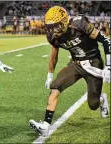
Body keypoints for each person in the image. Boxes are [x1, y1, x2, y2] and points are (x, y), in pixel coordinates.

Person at [29, 6, 110, 137]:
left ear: (65, 21)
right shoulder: (53, 36)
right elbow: (54, 55)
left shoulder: (79, 23)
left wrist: (109, 66)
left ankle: (101, 99)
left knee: (93, 104)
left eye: (56, 26)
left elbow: (105, 41)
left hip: (93, 62)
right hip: (75, 64)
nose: (53, 30)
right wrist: (50, 74)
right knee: (55, 87)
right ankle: (45, 125)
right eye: (50, 27)